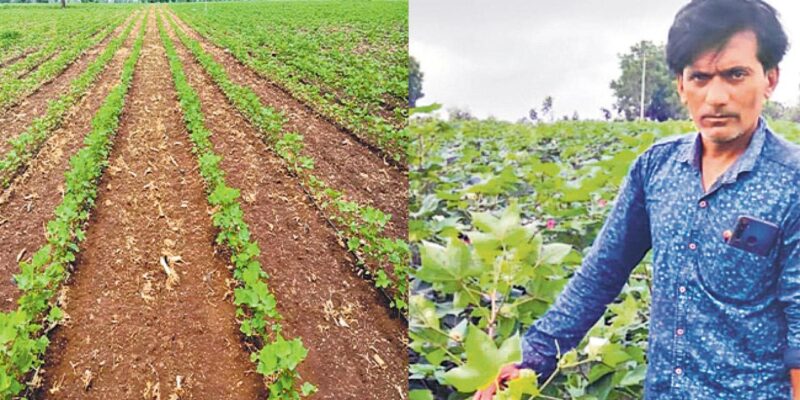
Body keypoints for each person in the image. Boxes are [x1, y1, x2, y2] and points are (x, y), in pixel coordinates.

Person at [473, 0, 798, 398]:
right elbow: (601, 274)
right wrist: (532, 361)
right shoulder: (655, 169)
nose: (716, 96)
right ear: (681, 85)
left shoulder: (791, 183)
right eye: (699, 77)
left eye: (735, 75)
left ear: (770, 79)